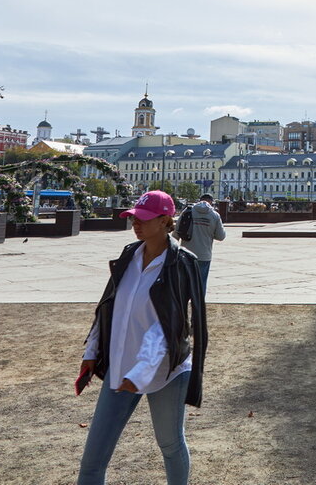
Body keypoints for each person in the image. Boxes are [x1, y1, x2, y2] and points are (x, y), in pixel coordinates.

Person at [75, 190, 207, 485]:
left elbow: (169, 326)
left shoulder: (181, 263)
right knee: (92, 461)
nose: (136, 224)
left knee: (171, 446)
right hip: (121, 368)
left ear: (164, 221)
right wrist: (92, 350)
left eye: (144, 219)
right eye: (134, 217)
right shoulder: (128, 256)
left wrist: (140, 373)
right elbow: (107, 306)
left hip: (166, 370)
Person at [175, 193, 226, 292]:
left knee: (184, 284)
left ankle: (183, 305)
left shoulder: (188, 211)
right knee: (200, 284)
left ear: (199, 200)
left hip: (185, 254)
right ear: (211, 202)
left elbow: (176, 233)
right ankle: (198, 306)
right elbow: (221, 236)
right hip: (204, 255)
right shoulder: (215, 215)